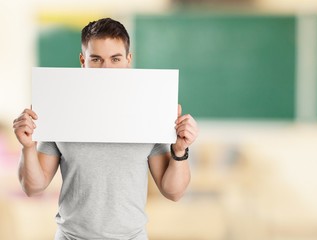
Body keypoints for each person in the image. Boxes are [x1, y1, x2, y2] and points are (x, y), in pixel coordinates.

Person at [12, 18, 198, 240]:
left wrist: (180, 150)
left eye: (115, 59)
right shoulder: (62, 110)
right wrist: (28, 147)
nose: (106, 69)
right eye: (97, 59)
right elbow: (33, 187)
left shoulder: (149, 111)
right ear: (83, 61)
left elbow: (174, 192)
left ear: (128, 60)